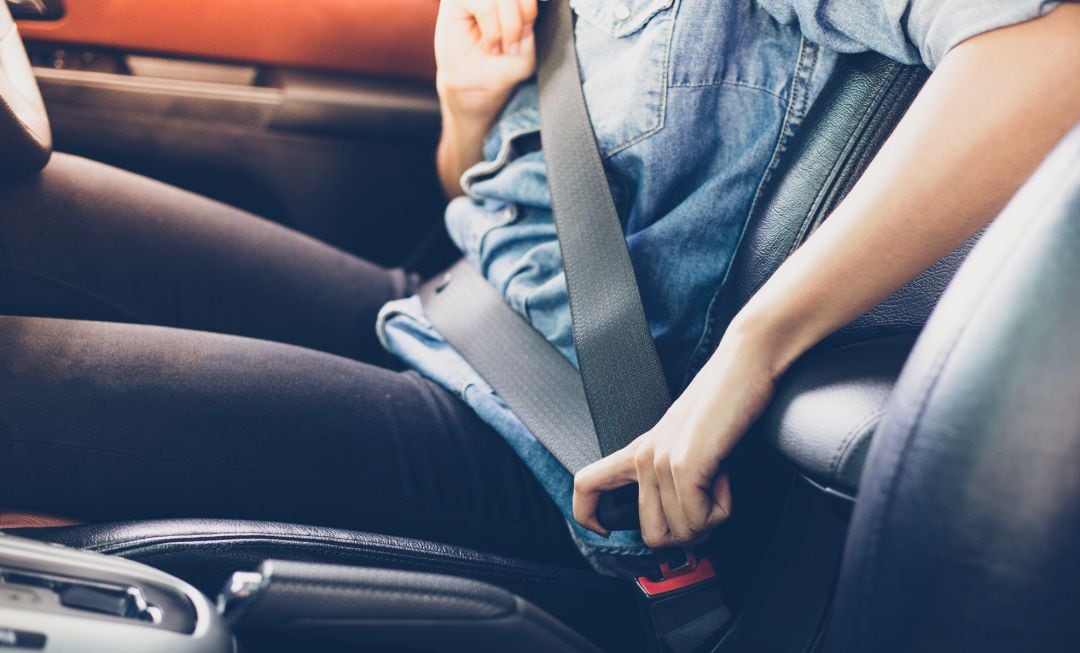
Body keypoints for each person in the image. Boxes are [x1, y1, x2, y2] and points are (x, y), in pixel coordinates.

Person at [0, 0, 1077, 576]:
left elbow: (1055, 49)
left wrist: (754, 351)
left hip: (551, 439)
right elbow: (485, 196)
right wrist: (466, 104)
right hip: (448, 309)